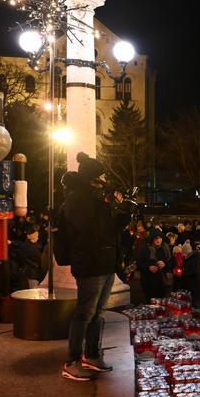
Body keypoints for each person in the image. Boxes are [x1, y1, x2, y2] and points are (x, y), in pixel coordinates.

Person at [60, 153, 130, 382]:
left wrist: (123, 210)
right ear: (92, 177)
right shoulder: (78, 199)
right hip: (90, 264)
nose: (104, 180)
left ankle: (91, 355)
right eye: (100, 175)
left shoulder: (95, 199)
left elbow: (112, 230)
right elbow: (92, 231)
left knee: (98, 314)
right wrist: (106, 206)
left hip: (105, 263)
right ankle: (72, 362)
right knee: (85, 313)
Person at [136, 228, 171, 301]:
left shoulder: (165, 247)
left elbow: (172, 261)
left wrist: (165, 264)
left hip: (162, 281)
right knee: (151, 303)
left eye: (160, 238)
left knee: (162, 303)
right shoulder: (144, 248)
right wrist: (148, 267)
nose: (158, 240)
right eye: (156, 238)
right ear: (152, 239)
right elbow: (139, 264)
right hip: (148, 281)